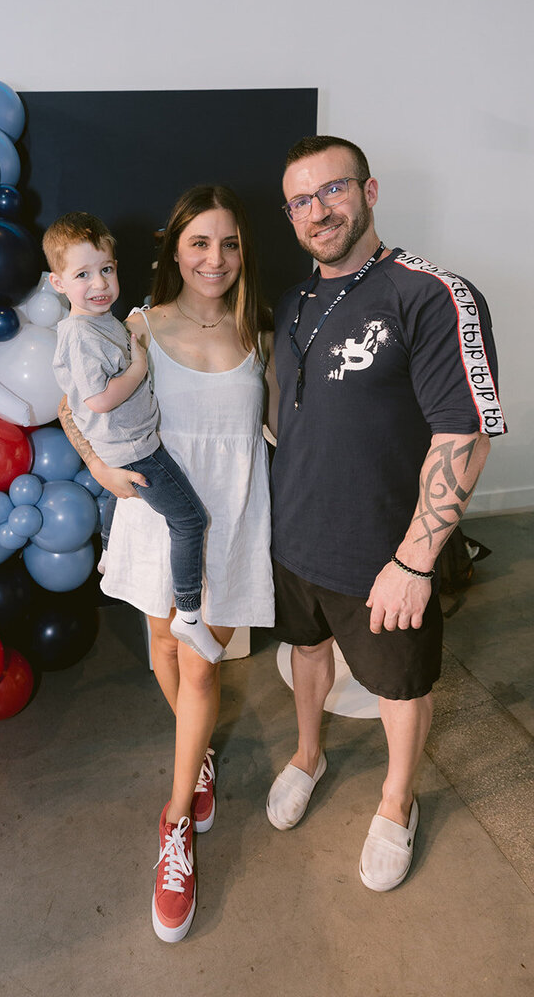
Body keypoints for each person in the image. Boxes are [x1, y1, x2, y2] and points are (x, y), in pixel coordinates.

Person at [267, 134, 506, 892]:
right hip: (294, 537)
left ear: (369, 192)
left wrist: (414, 562)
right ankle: (309, 753)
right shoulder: (295, 300)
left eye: (332, 190)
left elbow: (463, 435)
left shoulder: (431, 293)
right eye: (301, 200)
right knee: (307, 654)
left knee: (400, 687)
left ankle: (396, 800)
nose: (318, 209)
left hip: (383, 556)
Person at [58, 185, 277, 942]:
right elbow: (73, 404)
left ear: (243, 252)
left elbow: (281, 432)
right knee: (161, 648)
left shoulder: (260, 332)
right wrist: (98, 466)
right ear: (175, 250)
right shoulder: (137, 323)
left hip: (230, 520)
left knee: (203, 666)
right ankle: (200, 760)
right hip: (157, 514)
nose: (214, 259)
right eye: (200, 243)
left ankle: (174, 821)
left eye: (229, 244)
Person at [44, 211, 221, 664]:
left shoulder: (102, 321)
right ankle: (188, 613)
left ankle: (108, 556)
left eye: (106, 269)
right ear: (57, 283)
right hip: (137, 448)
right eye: (82, 274)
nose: (99, 283)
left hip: (125, 444)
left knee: (118, 504)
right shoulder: (82, 334)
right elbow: (98, 399)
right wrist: (139, 367)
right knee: (190, 521)